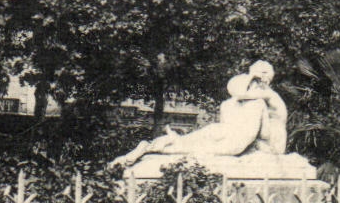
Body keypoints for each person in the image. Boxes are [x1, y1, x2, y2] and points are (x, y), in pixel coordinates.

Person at [109, 61, 284, 170]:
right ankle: (161, 146)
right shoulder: (258, 101)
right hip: (245, 142)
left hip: (242, 139)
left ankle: (153, 146)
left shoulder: (249, 100)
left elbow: (236, 91)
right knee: (195, 147)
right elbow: (264, 134)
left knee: (190, 142)